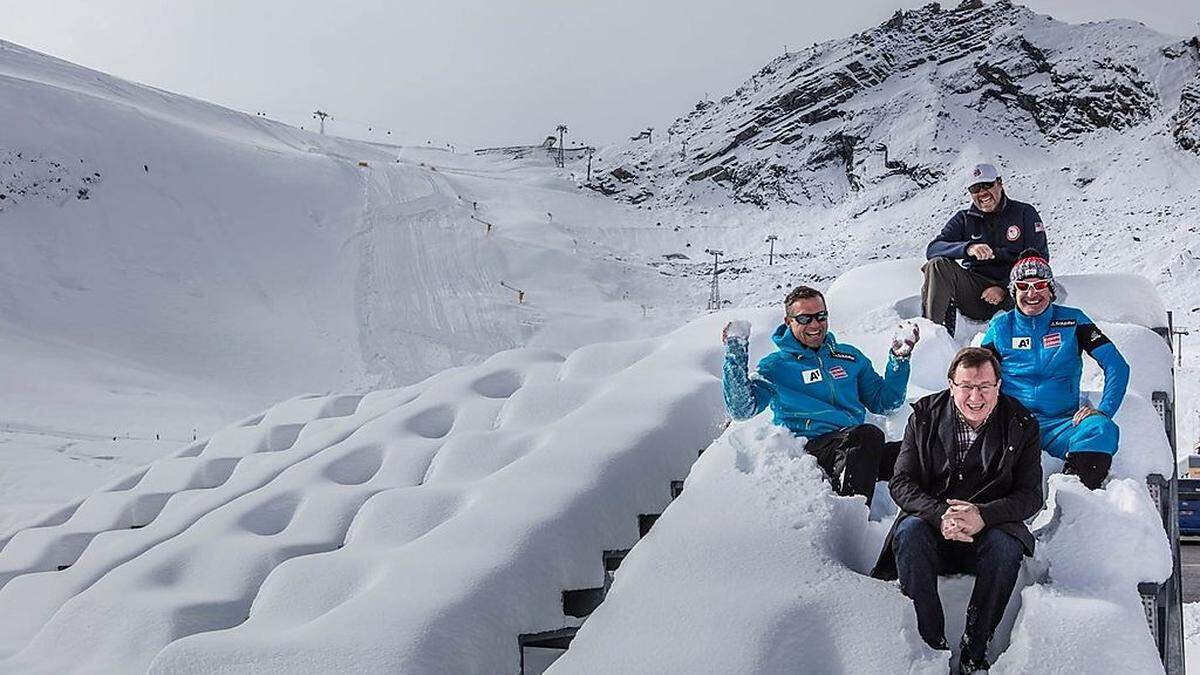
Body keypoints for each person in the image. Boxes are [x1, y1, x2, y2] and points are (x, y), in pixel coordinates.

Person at [872, 347, 1042, 674]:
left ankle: (974, 649)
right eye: (966, 386)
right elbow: (901, 482)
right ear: (952, 385)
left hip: (989, 531)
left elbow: (1030, 495)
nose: (975, 396)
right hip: (934, 529)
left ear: (998, 385)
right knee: (908, 533)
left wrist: (983, 516)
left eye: (984, 387)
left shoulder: (1022, 423)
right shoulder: (924, 415)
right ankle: (930, 644)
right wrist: (940, 514)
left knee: (1006, 548)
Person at [722, 285, 919, 504]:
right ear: (789, 322)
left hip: (858, 448)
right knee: (865, 435)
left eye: (821, 316)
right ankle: (851, 517)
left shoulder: (849, 357)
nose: (815, 324)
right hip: (814, 447)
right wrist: (735, 351)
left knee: (920, 450)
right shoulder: (775, 366)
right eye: (805, 319)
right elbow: (742, 409)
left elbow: (885, 403)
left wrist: (899, 360)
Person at [981, 250, 1129, 489]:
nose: (1032, 293)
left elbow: (1117, 365)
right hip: (1011, 425)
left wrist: (1104, 410)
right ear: (1013, 291)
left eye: (1039, 285)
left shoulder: (1073, 321)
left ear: (1050, 290)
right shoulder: (1001, 327)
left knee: (1101, 429)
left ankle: (1075, 496)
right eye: (1023, 286)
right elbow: (975, 373)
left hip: (1060, 424)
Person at [923, 163, 1049, 336]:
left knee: (1036, 285)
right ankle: (933, 336)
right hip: (976, 291)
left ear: (999, 183)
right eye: (975, 188)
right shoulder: (963, 219)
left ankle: (1035, 343)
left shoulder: (1024, 213)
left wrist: (1004, 287)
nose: (982, 193)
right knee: (937, 265)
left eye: (987, 185)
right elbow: (933, 249)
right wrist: (968, 248)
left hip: (1017, 289)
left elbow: (1040, 258)